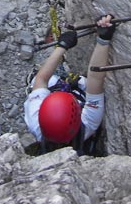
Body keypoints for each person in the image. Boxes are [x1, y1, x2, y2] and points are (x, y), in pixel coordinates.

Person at [23, 14, 115, 153]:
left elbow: (41, 79)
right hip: (78, 91)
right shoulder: (88, 124)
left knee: (39, 81)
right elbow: (95, 79)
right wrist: (104, 39)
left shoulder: (34, 119)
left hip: (56, 94)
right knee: (83, 83)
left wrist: (62, 46)